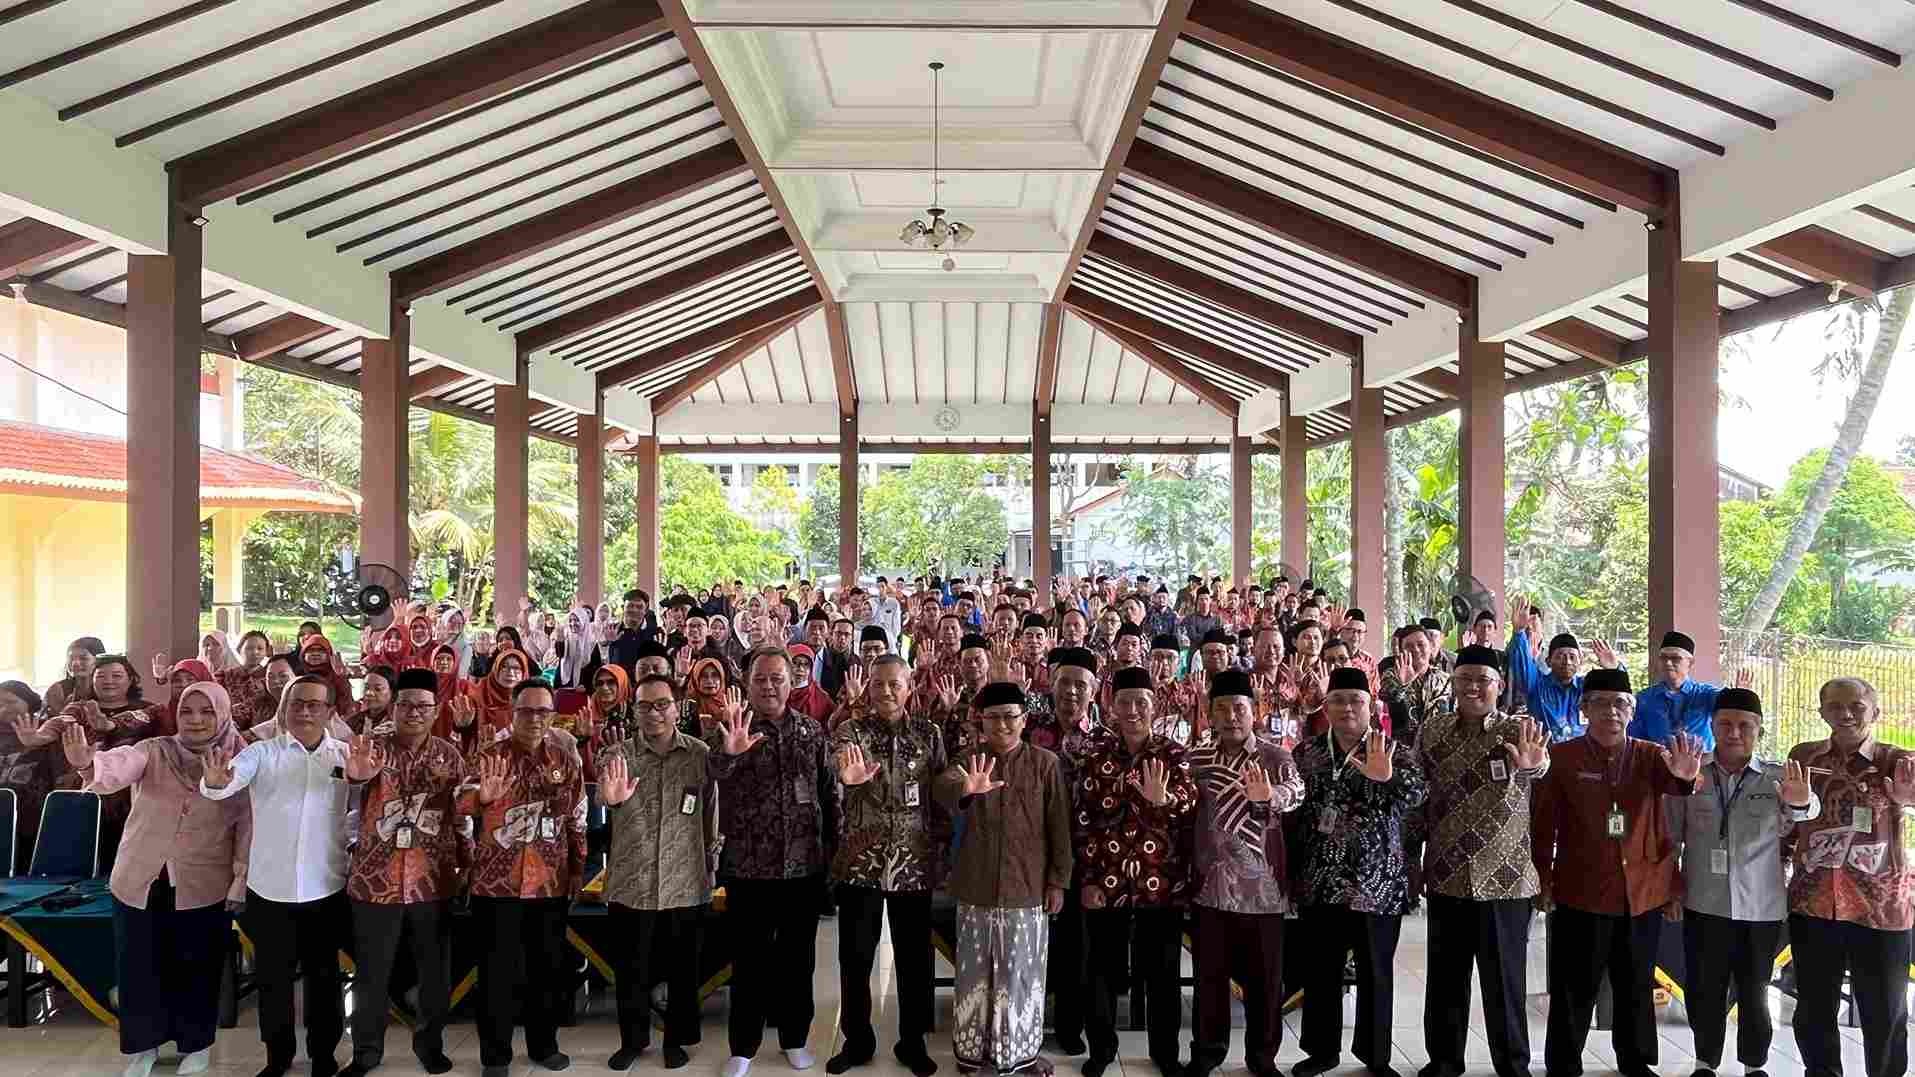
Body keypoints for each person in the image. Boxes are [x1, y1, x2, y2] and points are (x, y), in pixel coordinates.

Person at [65, 681, 250, 1077]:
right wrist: (87, 764)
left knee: (197, 967)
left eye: (207, 711)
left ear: (223, 714)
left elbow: (247, 826)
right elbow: (119, 765)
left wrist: (240, 878)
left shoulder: (242, 761)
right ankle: (143, 1046)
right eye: (187, 711)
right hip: (140, 878)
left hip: (204, 882)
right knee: (137, 966)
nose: (196, 720)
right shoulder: (155, 749)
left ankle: (196, 1045)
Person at [1532, 668, 1703, 1077]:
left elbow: (1678, 786)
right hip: (1581, 890)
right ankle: (1563, 1062)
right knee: (1574, 984)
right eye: (1601, 703)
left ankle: (1635, 1060)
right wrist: (1543, 879)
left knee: (1636, 983)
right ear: (1584, 709)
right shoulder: (1563, 757)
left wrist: (1686, 776)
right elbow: (1543, 824)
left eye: (1621, 704)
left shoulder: (1651, 755)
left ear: (1632, 710)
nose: (1612, 711)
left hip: (1641, 892)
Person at [200, 674, 353, 1077]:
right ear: (284, 709)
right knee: (273, 980)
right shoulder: (262, 753)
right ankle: (278, 1057)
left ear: (330, 712)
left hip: (326, 887)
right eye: (296, 703)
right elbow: (227, 779)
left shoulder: (345, 756)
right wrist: (215, 783)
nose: (304, 711)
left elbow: (362, 805)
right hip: (269, 889)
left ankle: (324, 1055)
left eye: (314, 704)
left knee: (324, 978)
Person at [1665, 687, 1817, 1077]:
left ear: (1759, 731)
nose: (1734, 733)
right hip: (1704, 902)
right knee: (1704, 989)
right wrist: (1672, 888)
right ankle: (1705, 1063)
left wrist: (1801, 802)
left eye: (1745, 726)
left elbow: (1804, 812)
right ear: (1713, 726)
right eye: (1725, 724)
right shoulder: (1692, 774)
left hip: (1760, 907)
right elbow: (1671, 835)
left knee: (1754, 991)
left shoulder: (1777, 778)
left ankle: (1754, 1065)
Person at [1415, 646, 1549, 1077]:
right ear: (1453, 683)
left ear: (1499, 685)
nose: (1473, 687)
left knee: (1505, 982)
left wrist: (1532, 766)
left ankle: (1513, 1065)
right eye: (1464, 679)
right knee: (1445, 980)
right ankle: (1444, 1061)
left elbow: (1540, 766)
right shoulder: (1432, 730)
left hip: (1506, 880)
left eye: (1483, 680)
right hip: (1447, 874)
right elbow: (1416, 798)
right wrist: (1412, 859)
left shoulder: (1519, 729)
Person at [707, 647, 837, 1077]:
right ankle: (743, 1046)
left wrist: (831, 856)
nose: (769, 686)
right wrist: (730, 753)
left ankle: (794, 1039)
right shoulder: (731, 727)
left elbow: (828, 793)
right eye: (760, 679)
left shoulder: (811, 731)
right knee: (750, 961)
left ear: (790, 682)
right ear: (747, 683)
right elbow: (710, 776)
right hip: (748, 868)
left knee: (798, 960)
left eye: (777, 678)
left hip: (803, 866)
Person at [1290, 667, 1426, 1077]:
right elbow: (1293, 815)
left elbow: (1419, 795)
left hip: (1376, 882)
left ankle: (1376, 1057)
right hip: (1320, 879)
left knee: (1375, 973)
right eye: (1338, 700)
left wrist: (1388, 779)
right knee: (1321, 971)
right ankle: (1321, 1051)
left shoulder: (1394, 751)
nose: (1347, 708)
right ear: (1326, 706)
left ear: (1371, 706)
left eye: (1356, 700)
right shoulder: (1307, 753)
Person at [936, 681, 1072, 1077]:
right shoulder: (970, 759)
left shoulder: (1045, 763)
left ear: (1024, 720)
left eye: (1010, 717)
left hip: (1027, 888)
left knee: (1021, 977)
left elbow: (1059, 826)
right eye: (993, 718)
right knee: (974, 976)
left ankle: (1021, 1054)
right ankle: (971, 1055)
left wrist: (1058, 881)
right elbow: (941, 787)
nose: (1001, 725)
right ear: (981, 721)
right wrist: (966, 787)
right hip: (975, 886)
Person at [338, 668, 467, 1077]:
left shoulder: (449, 755)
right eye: (406, 705)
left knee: (434, 973)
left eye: (423, 706)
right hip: (375, 880)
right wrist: (355, 777)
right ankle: (366, 1052)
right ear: (394, 708)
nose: (414, 713)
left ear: (436, 711)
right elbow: (346, 793)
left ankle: (430, 1046)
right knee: (371, 973)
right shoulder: (369, 749)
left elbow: (461, 816)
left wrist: (466, 864)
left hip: (433, 880)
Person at [1785, 676, 1915, 1077]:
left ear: (1875, 712)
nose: (1845, 714)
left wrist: (1908, 801)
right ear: (1821, 712)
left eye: (1856, 706)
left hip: (1882, 907)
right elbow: (1789, 821)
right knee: (1813, 1007)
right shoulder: (1804, 756)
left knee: (1885, 1010)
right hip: (1813, 903)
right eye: (1835, 706)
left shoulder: (1898, 760)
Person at [1074, 666, 1197, 1077]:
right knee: (1101, 972)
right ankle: (1101, 1050)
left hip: (1160, 884)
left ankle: (1165, 1053)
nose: (1132, 710)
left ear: (1154, 706)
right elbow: (1083, 821)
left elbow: (1190, 806)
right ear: (1111, 706)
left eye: (1140, 702)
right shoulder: (1095, 757)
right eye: (1124, 702)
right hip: (1106, 882)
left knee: (1162, 974)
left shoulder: (1173, 754)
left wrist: (1165, 800)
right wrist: (1087, 880)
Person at [829, 655, 947, 1077]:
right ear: (868, 687)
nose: (885, 692)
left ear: (909, 687)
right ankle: (857, 1041)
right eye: (877, 683)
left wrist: (941, 855)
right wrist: (846, 777)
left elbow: (940, 794)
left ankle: (912, 1042)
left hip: (914, 863)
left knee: (914, 959)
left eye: (894, 684)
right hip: (860, 864)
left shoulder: (929, 733)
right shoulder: (851, 731)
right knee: (855, 958)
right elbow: (837, 764)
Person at [463, 677, 587, 1077]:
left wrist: (577, 870)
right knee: (496, 974)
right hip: (495, 885)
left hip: (549, 882)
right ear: (512, 713)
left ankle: (543, 1046)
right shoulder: (489, 756)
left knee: (546, 970)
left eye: (543, 711)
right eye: (527, 711)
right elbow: (457, 807)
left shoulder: (564, 760)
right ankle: (495, 1055)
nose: (535, 718)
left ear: (552, 715)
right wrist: (481, 798)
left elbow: (576, 819)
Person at [1185, 670, 1304, 1077]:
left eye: (1239, 707)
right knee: (1209, 979)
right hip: (1210, 887)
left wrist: (1273, 795)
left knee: (1266, 982)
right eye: (1221, 709)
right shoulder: (1198, 759)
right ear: (1209, 714)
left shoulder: (1276, 757)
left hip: (1264, 891)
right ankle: (1207, 1052)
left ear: (1255, 711)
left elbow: (1298, 793)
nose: (1231, 716)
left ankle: (1262, 1057)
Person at [598, 673, 718, 1072]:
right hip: (632, 880)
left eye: (662, 704)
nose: (654, 713)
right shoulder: (618, 754)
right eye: (645, 706)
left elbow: (711, 813)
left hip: (685, 879)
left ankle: (676, 1040)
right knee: (631, 968)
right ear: (634, 711)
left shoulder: (699, 754)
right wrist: (610, 799)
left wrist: (712, 863)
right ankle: (633, 1040)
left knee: (683, 969)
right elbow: (604, 794)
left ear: (678, 708)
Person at [1505, 601, 1619, 742]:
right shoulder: (1537, 685)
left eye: (1572, 657)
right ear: (1548, 661)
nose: (1567, 661)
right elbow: (1523, 666)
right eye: (1560, 656)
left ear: (1580, 661)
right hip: (1545, 754)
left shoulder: (1588, 687)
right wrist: (1519, 632)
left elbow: (1619, 699)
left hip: (1585, 754)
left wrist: (1614, 670)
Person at [1628, 630, 1725, 749]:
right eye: (1663, 658)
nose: (1668, 663)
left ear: (1690, 663)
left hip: (1701, 760)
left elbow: (1731, 705)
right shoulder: (1644, 699)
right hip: (1657, 759)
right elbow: (1635, 741)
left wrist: (1740, 693)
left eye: (1675, 658)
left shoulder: (1705, 694)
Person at [42, 635, 105, 716]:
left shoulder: (110, 687)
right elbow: (48, 721)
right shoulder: (58, 690)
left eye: (83, 658)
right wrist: (63, 714)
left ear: (98, 660)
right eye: (71, 658)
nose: (75, 663)